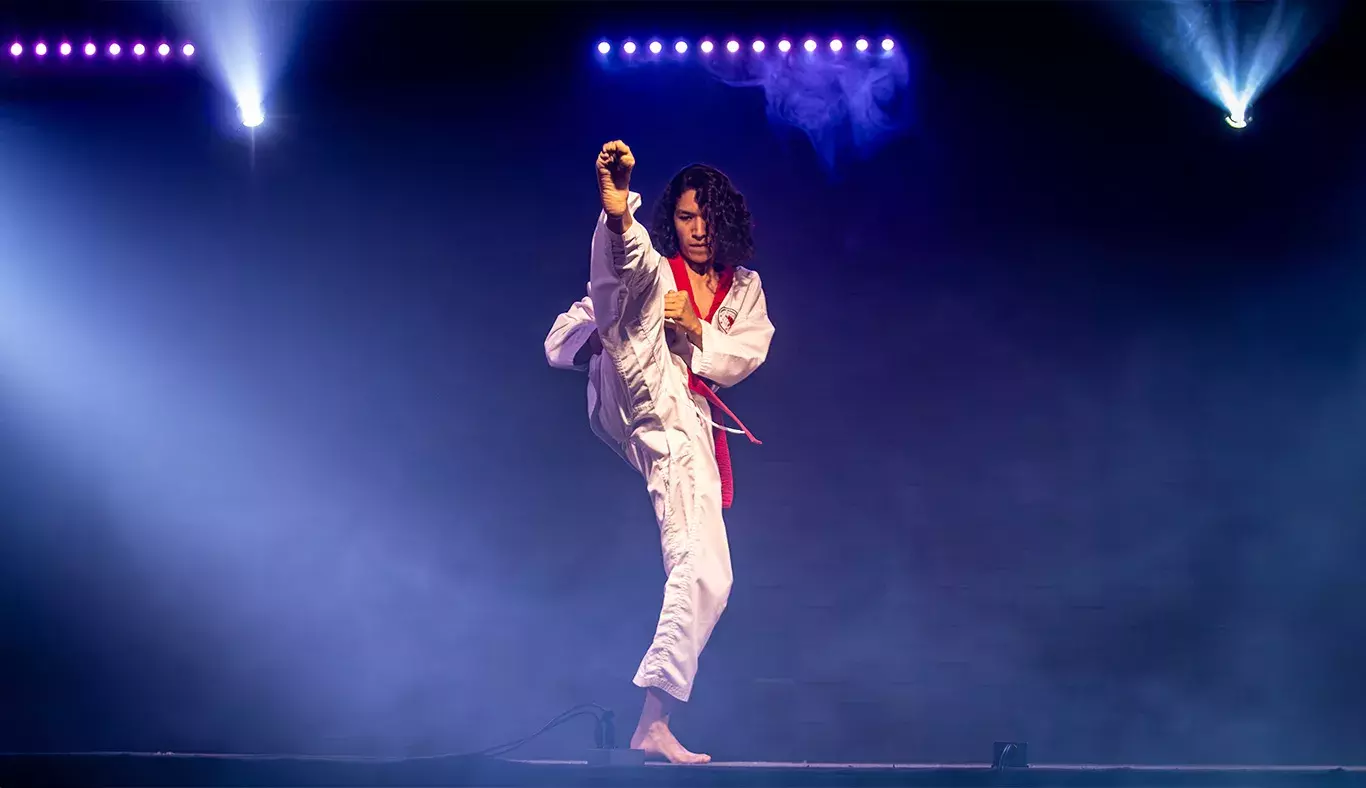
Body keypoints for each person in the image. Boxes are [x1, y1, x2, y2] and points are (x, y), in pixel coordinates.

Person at [544, 141, 775, 764]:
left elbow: (746, 354)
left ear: (724, 221)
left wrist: (695, 326)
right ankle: (619, 217)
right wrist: (607, 328)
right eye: (685, 217)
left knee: (709, 573)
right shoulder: (663, 269)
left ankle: (654, 719)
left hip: (679, 417)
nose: (697, 230)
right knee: (641, 279)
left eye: (707, 218)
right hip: (630, 380)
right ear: (671, 220)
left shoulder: (742, 288)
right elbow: (558, 342)